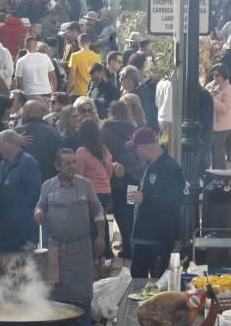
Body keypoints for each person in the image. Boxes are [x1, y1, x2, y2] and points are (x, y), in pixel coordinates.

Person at [34, 148, 105, 326]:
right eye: (68, 163)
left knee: (83, 292)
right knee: (59, 292)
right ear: (58, 166)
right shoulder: (48, 186)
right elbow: (40, 205)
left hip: (81, 246)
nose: (73, 166)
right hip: (56, 248)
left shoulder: (85, 185)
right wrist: (38, 212)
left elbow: (98, 211)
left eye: (74, 162)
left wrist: (101, 237)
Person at [127, 127, 185, 279]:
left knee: (156, 282)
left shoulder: (169, 167)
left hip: (157, 238)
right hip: (142, 236)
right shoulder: (149, 164)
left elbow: (174, 200)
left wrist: (145, 198)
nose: (136, 152)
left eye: (137, 148)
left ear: (145, 146)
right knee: (137, 279)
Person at [101, 101, 142, 258]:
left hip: (116, 180)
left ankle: (127, 245)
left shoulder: (105, 132)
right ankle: (133, 245)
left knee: (120, 213)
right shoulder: (134, 129)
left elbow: (104, 155)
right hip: (133, 177)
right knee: (131, 212)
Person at [0, 129, 41, 252]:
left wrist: (22, 216)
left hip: (23, 230)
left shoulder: (28, 162)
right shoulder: (1, 165)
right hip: (5, 229)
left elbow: (34, 192)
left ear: (10, 143)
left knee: (26, 267)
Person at [75, 119, 114, 260]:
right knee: (102, 222)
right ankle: (106, 252)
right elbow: (109, 173)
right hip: (106, 193)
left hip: (91, 193)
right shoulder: (104, 150)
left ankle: (94, 255)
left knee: (92, 224)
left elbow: (78, 176)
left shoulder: (81, 152)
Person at [15, 100, 61, 182]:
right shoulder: (54, 132)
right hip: (48, 182)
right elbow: (59, 159)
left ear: (26, 113)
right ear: (41, 114)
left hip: (23, 183)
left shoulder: (17, 133)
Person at [205, 63, 231, 170]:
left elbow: (226, 108)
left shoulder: (229, 89)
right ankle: (213, 178)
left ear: (224, 74)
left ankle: (221, 179)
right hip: (210, 124)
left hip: (222, 126)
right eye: (213, 75)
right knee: (211, 153)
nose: (215, 77)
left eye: (217, 75)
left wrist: (211, 100)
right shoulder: (209, 86)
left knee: (218, 153)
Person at [15, 35, 56, 103]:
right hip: (47, 94)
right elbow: (53, 78)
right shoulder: (45, 57)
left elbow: (19, 83)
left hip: (30, 95)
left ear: (25, 46)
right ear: (36, 45)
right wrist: (53, 92)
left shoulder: (20, 61)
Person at [67, 34, 102, 101]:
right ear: (90, 43)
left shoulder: (75, 56)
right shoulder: (97, 57)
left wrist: (67, 92)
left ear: (79, 43)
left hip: (78, 92)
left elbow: (72, 77)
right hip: (91, 92)